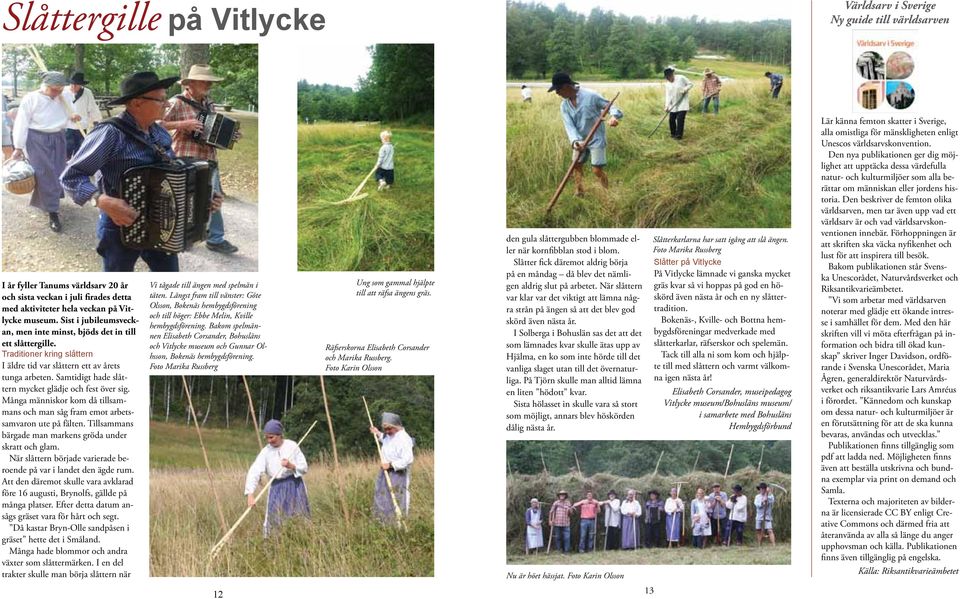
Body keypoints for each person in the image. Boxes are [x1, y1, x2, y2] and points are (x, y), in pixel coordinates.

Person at [61, 71, 221, 271]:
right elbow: (71, 176)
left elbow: (173, 172)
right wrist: (100, 200)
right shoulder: (110, 133)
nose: (167, 104)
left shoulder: (159, 132)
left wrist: (203, 196)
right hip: (119, 224)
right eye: (161, 100)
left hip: (162, 223)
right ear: (137, 103)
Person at [163, 64, 239, 254]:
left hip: (209, 158)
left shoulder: (209, 104)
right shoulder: (177, 102)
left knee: (214, 199)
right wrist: (182, 124)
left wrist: (230, 136)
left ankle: (215, 238)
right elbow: (156, 124)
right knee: (184, 201)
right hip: (185, 158)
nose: (209, 85)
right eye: (205, 81)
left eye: (210, 82)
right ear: (191, 83)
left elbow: (214, 132)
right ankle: (180, 236)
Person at [11, 71, 77, 232]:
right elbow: (21, 122)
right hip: (36, 139)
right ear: (45, 86)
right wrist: (18, 147)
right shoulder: (31, 98)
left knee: (59, 172)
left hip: (58, 137)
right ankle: (53, 212)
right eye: (54, 90)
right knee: (44, 173)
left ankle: (49, 201)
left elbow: (70, 115)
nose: (57, 93)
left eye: (60, 89)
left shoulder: (64, 96)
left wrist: (74, 117)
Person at [549, 71, 622, 196]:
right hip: (579, 141)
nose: (557, 93)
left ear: (566, 87)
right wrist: (576, 142)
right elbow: (569, 126)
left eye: (558, 90)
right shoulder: (564, 106)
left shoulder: (591, 96)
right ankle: (580, 190)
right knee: (576, 165)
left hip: (596, 138)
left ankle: (607, 193)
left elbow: (610, 106)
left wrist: (614, 117)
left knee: (596, 170)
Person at [243, 419, 310, 536]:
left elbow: (304, 467)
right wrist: (250, 494)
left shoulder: (292, 446)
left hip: (294, 485)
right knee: (275, 518)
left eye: (272, 437)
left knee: (299, 515)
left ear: (280, 435)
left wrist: (291, 466)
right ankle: (275, 543)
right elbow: (254, 471)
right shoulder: (265, 452)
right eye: (267, 438)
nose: (269, 441)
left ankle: (301, 539)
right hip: (276, 487)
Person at [369, 411, 415, 524]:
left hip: (398, 474)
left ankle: (397, 524)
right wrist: (377, 433)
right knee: (383, 496)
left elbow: (408, 459)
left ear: (397, 427)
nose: (387, 432)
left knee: (396, 497)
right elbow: (386, 440)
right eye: (385, 430)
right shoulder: (390, 435)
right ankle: (383, 522)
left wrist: (390, 465)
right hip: (386, 472)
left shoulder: (404, 439)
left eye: (389, 429)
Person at [62, 72, 101, 159]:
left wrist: (96, 122)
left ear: (81, 85)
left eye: (76, 85)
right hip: (67, 126)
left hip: (81, 126)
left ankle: (75, 169)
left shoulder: (87, 93)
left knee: (79, 151)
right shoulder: (63, 91)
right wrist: (69, 116)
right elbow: (57, 108)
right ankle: (64, 169)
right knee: (66, 151)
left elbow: (93, 108)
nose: (73, 86)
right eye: (72, 84)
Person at [663, 67, 693, 140]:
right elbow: (668, 95)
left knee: (680, 119)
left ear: (673, 74)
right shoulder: (667, 84)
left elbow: (690, 84)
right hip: (673, 104)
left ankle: (679, 135)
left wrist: (685, 89)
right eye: (667, 77)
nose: (669, 78)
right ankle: (673, 134)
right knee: (671, 119)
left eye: (670, 76)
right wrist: (666, 106)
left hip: (683, 103)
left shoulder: (681, 78)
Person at [1, 94, 13, 160]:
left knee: (7, 150)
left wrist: (10, 124)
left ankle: (5, 167)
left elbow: (6, 112)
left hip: (3, 127)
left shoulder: (2, 97)